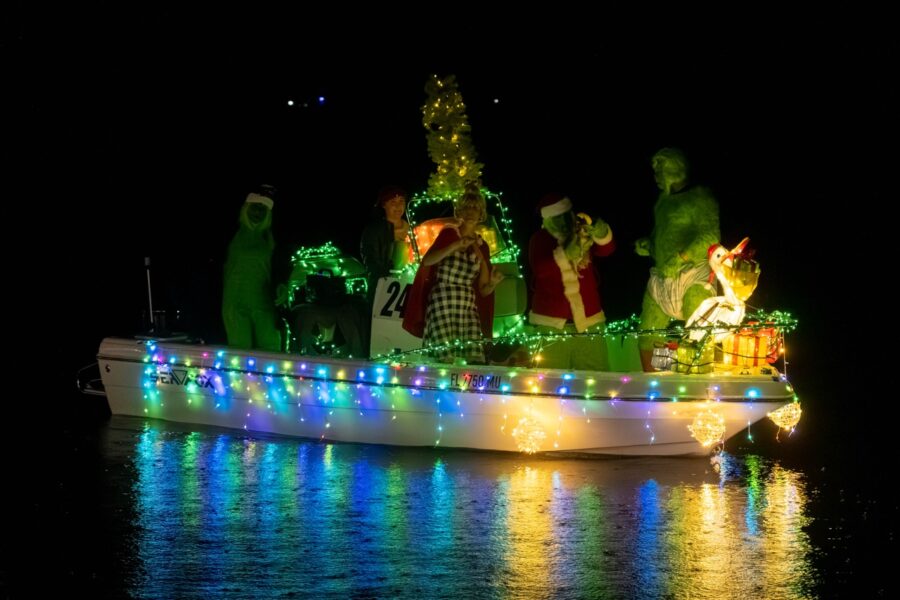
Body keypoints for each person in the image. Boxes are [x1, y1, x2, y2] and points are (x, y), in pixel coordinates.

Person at [635, 147, 720, 371]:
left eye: (659, 170)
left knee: (697, 336)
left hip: (694, 277)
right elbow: (663, 237)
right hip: (663, 278)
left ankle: (699, 389)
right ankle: (658, 380)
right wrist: (650, 245)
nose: (656, 177)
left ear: (674, 168)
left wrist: (682, 257)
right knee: (648, 334)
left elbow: (710, 236)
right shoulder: (661, 203)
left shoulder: (700, 198)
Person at [402, 182, 503, 363]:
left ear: (481, 213)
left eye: (475, 208)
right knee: (444, 358)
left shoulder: (482, 247)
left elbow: (483, 290)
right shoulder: (449, 234)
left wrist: (494, 282)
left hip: (466, 305)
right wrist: (456, 245)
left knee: (475, 358)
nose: (471, 211)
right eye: (467, 208)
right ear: (459, 212)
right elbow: (427, 261)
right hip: (443, 300)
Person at [528, 193, 615, 370]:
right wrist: (566, 253)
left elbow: (607, 249)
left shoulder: (583, 235)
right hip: (551, 326)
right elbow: (541, 270)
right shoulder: (540, 239)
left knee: (594, 379)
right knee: (549, 382)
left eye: (565, 215)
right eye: (557, 218)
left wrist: (599, 231)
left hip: (589, 323)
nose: (563, 221)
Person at [222, 185, 281, 351]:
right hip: (234, 302)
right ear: (246, 207)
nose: (258, 212)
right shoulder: (231, 232)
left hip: (263, 302)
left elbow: (281, 267)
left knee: (271, 351)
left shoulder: (272, 237)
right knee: (239, 353)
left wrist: (281, 285)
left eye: (263, 209)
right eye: (255, 207)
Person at [360, 186, 411, 305]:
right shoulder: (374, 230)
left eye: (401, 201)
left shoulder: (412, 228)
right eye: (393, 202)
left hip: (409, 284)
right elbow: (370, 259)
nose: (398, 206)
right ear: (384, 205)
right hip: (385, 286)